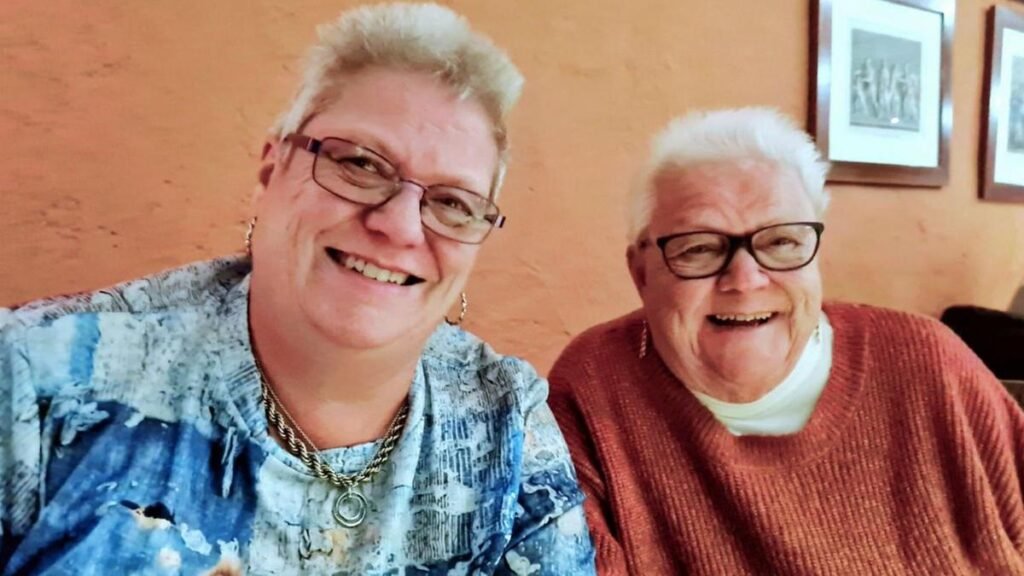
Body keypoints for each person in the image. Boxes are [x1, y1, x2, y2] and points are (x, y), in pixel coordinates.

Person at [0, 4, 595, 574]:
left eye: (453, 203)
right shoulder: (41, 380)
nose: (399, 226)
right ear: (272, 171)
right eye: (360, 164)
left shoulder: (505, 429)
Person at [549, 107, 1024, 574]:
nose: (745, 279)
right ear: (641, 273)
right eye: (699, 248)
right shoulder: (593, 392)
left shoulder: (928, 360)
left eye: (781, 242)